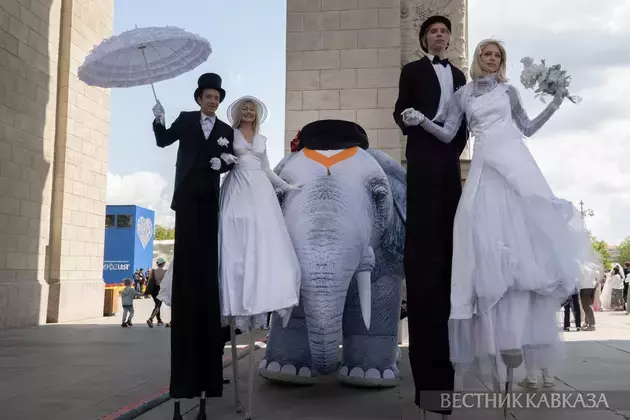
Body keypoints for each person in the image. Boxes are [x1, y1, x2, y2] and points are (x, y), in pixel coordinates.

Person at [400, 39, 599, 392]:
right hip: (484, 170)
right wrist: (421, 121)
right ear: (478, 58)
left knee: (524, 242)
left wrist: (553, 103)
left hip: (516, 166)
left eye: (497, 56)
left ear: (501, 62)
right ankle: (498, 339)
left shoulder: (509, 92)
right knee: (480, 239)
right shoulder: (463, 95)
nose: (491, 59)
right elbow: (447, 133)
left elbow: (528, 128)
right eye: (486, 54)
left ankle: (525, 344)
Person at [392, 15, 468, 416]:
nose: (440, 36)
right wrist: (411, 120)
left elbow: (464, 127)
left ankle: (448, 386)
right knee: (424, 256)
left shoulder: (459, 76)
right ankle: (428, 388)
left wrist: (450, 150)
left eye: (445, 32)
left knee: (450, 248)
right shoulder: (412, 70)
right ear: (425, 39)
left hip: (448, 163)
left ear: (450, 41)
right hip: (421, 158)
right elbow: (399, 111)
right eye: (434, 31)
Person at [152, 72, 235, 420]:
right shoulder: (186, 120)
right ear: (199, 97)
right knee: (188, 261)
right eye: (208, 96)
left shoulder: (225, 131)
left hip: (210, 201)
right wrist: (158, 120)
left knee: (207, 262)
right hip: (186, 195)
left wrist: (225, 161)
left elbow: (234, 157)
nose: (212, 101)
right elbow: (163, 142)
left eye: (217, 97)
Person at [218, 95, 301, 332]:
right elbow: (221, 158)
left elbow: (266, 168)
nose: (247, 112)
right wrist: (225, 159)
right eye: (244, 108)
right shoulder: (229, 134)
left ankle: (258, 297)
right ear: (238, 113)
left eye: (251, 109)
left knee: (261, 238)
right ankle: (232, 299)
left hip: (260, 189)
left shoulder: (262, 139)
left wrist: (286, 187)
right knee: (235, 237)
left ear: (257, 114)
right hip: (237, 185)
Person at [146, 257, 167, 327]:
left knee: (157, 304)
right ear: (163, 263)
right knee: (158, 305)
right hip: (160, 289)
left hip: (153, 290)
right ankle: (150, 319)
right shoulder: (164, 272)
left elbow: (149, 280)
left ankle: (159, 320)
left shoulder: (153, 271)